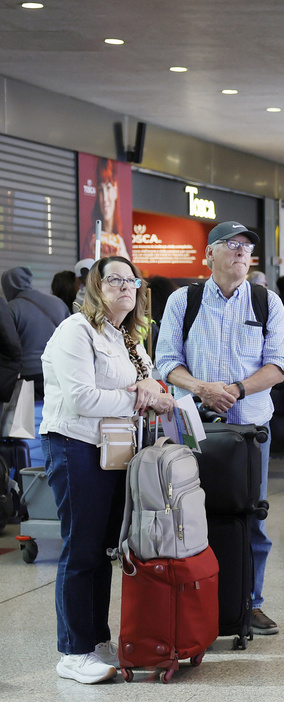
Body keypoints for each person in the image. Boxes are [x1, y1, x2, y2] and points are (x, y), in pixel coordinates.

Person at [40, 256, 175, 684]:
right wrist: (138, 396)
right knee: (80, 550)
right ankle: (73, 650)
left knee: (103, 550)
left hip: (114, 452)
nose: (123, 286)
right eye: (112, 279)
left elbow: (152, 386)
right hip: (75, 447)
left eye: (129, 280)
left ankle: (96, 640)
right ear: (95, 287)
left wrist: (146, 391)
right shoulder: (75, 331)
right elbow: (84, 399)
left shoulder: (128, 338)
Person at [154, 220, 284, 636]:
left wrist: (235, 389)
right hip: (195, 429)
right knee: (190, 515)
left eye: (247, 247)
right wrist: (201, 389)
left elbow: (279, 365)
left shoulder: (267, 302)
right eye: (232, 245)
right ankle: (196, 604)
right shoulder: (184, 300)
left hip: (249, 432)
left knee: (252, 517)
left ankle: (249, 603)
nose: (241, 253)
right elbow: (165, 361)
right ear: (209, 254)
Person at [4, 265, 70, 400]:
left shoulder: (11, 308)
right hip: (58, 371)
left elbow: (8, 343)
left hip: (28, 375)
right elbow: (71, 336)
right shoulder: (57, 302)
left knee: (30, 417)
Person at [82, 159, 127, 260]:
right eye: (100, 190)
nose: (105, 199)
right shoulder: (91, 238)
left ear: (115, 190)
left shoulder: (124, 239)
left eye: (108, 188)